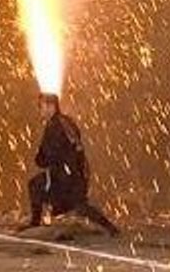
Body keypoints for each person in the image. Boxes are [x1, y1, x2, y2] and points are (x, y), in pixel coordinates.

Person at [20, 93, 119, 236]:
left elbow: (70, 147)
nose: (42, 110)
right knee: (36, 186)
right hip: (62, 172)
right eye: (41, 106)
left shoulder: (61, 123)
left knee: (78, 205)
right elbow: (46, 151)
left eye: (45, 106)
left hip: (71, 173)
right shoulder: (54, 124)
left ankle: (110, 228)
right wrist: (43, 159)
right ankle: (36, 221)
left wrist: (66, 168)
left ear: (52, 106)